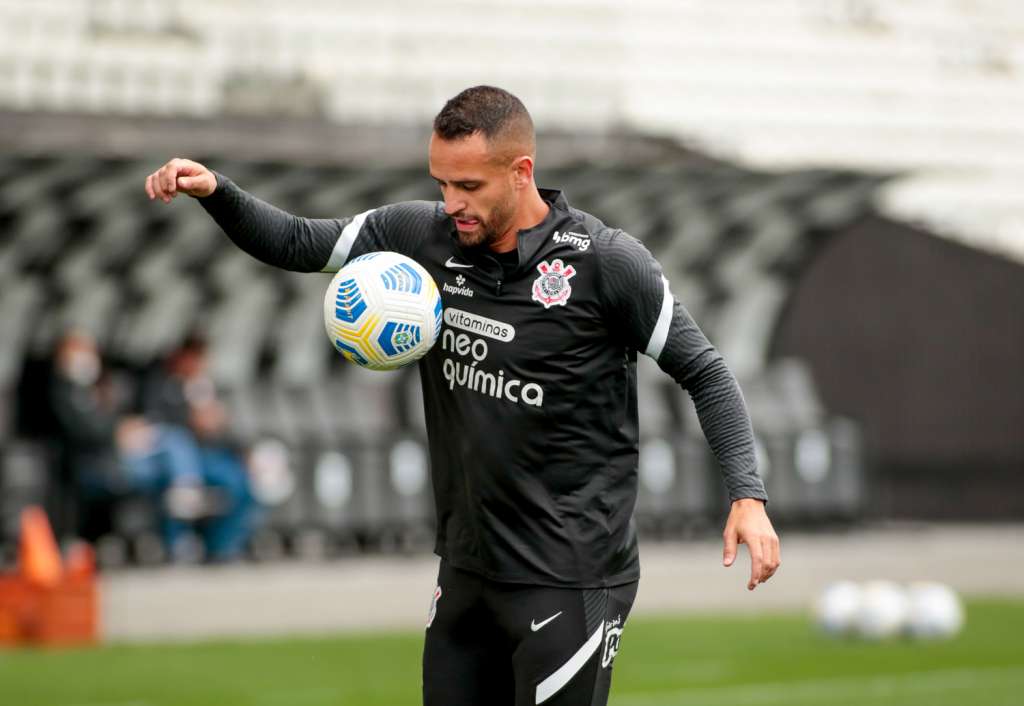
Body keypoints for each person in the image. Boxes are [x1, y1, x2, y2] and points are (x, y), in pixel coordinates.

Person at [145, 85, 781, 706]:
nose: (451, 203)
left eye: (469, 186)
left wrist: (746, 495)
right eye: (441, 183)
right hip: (467, 567)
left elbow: (706, 372)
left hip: (571, 573)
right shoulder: (421, 236)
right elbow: (296, 242)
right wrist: (217, 192)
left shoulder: (606, 264)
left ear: (521, 172)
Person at [48, 330, 206, 556]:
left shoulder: (96, 387)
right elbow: (83, 430)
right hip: (95, 463)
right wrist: (116, 432)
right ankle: (183, 495)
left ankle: (181, 515)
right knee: (170, 456)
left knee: (172, 453)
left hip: (120, 455)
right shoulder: (63, 391)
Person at [140, 335, 258, 562]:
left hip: (209, 455)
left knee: (240, 484)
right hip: (175, 456)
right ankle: (176, 544)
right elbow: (157, 421)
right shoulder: (161, 385)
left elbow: (224, 427)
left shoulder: (207, 387)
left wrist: (243, 450)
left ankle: (222, 546)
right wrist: (190, 417)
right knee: (178, 487)